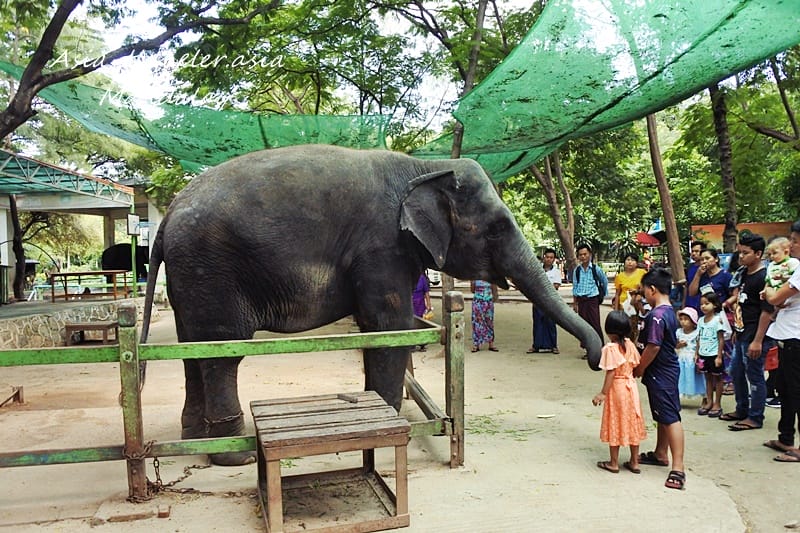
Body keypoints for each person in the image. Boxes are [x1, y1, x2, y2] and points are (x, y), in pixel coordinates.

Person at [632, 268, 686, 490]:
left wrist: (640, 367)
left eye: (644, 290)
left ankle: (678, 468)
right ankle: (660, 452)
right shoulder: (668, 311)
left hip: (660, 371)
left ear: (652, 289)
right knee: (662, 414)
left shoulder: (657, 316)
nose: (644, 294)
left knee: (670, 417)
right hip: (664, 371)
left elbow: (653, 346)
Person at [721, 233, 774, 431]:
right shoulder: (743, 273)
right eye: (740, 252)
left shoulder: (764, 277)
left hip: (755, 335)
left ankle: (755, 416)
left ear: (758, 254)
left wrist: (758, 340)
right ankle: (741, 409)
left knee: (755, 375)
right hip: (742, 332)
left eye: (746, 253)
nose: (741, 256)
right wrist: (737, 329)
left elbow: (767, 311)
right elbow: (741, 303)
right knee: (736, 371)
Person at [592, 310, 648, 474]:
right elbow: (636, 363)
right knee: (633, 420)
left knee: (615, 420)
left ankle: (614, 462)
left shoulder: (610, 348)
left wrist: (602, 393)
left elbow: (611, 372)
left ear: (609, 330)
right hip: (631, 388)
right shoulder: (630, 345)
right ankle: (634, 462)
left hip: (617, 388)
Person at [763, 220, 800, 462]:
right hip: (786, 335)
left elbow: (775, 297)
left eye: (795, 241)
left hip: (796, 338)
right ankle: (785, 437)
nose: (791, 245)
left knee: (797, 392)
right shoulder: (792, 268)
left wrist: (769, 293)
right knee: (785, 389)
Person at [572, 243, 608, 355]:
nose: (583, 257)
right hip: (581, 300)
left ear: (590, 254)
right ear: (578, 256)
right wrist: (575, 303)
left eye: (585, 254)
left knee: (595, 323)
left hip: (592, 299)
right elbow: (575, 286)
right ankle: (588, 349)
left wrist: (602, 295)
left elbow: (604, 281)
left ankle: (599, 348)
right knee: (584, 325)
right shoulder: (577, 271)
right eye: (580, 255)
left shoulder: (596, 269)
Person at [695, 293, 727, 417]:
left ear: (715, 305)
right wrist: (697, 353)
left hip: (714, 354)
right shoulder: (700, 320)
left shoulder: (717, 320)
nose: (703, 306)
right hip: (703, 354)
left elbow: (721, 339)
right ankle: (709, 401)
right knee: (707, 378)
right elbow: (698, 337)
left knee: (718, 378)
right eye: (701, 304)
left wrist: (719, 356)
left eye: (707, 303)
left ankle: (717, 403)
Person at [528, 248, 562, 354]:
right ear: (544, 258)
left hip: (551, 301)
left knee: (551, 323)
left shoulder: (556, 272)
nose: (549, 259)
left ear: (554, 259)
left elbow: (556, 286)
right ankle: (536, 345)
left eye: (551, 257)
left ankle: (553, 346)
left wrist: (542, 288)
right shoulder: (537, 270)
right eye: (547, 257)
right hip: (538, 301)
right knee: (538, 323)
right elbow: (532, 284)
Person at [612, 252, 647, 340]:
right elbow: (617, 294)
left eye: (632, 260)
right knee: (622, 327)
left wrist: (638, 292)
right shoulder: (619, 276)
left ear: (637, 263)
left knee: (633, 328)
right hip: (623, 305)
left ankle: (632, 344)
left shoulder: (642, 273)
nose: (630, 262)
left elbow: (647, 288)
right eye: (628, 260)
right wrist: (616, 310)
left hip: (636, 305)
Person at [675, 307, 705, 405]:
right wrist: (679, 345)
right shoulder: (679, 332)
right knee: (681, 378)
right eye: (681, 319)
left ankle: (705, 397)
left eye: (686, 319)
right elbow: (675, 345)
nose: (683, 322)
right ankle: (678, 397)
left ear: (693, 321)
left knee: (698, 379)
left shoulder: (697, 333)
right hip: (681, 358)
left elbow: (699, 345)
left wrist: (697, 356)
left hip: (692, 359)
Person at [471, 279, 498, 352]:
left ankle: (491, 344)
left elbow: (494, 289)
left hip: (488, 302)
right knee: (477, 322)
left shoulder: (490, 277)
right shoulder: (474, 277)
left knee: (489, 322)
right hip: (478, 302)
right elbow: (472, 290)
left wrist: (494, 297)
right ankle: (476, 344)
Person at [682, 241, 707, 313]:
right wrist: (683, 303)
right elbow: (686, 286)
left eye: (696, 251)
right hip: (690, 302)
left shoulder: (707, 268)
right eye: (692, 251)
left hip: (702, 303)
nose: (693, 254)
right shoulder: (690, 267)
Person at [412, 272, 433, 351]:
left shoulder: (422, 278)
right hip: (411, 303)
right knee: (412, 323)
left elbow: (426, 292)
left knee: (421, 323)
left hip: (420, 304)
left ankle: (422, 344)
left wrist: (429, 304)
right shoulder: (408, 277)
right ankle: (412, 344)